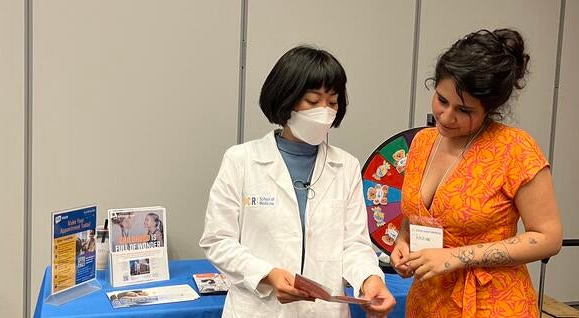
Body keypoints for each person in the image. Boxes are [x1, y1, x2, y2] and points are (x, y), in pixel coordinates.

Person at [200, 45, 395, 317]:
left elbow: (354, 245)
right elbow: (218, 241)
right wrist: (268, 274)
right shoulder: (241, 160)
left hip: (325, 310)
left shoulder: (346, 166)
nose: (325, 111)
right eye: (313, 101)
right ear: (286, 100)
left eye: (333, 102)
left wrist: (370, 279)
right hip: (259, 309)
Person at [390, 28, 563, 317]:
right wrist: (403, 243)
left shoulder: (514, 149)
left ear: (489, 109)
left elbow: (548, 237)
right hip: (428, 301)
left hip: (491, 303)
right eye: (442, 100)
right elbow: (416, 216)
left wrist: (457, 257)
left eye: (464, 110)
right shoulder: (422, 143)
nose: (446, 117)